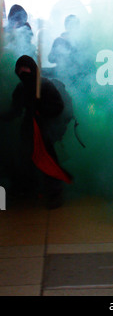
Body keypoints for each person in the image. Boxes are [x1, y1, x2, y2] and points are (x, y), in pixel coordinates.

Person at [0, 55, 72, 209]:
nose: (23, 72)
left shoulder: (44, 85)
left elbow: (58, 107)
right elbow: (15, 110)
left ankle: (55, 194)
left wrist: (42, 109)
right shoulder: (21, 88)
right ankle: (29, 189)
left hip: (45, 128)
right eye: (20, 70)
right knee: (26, 159)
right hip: (28, 128)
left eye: (26, 69)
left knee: (47, 161)